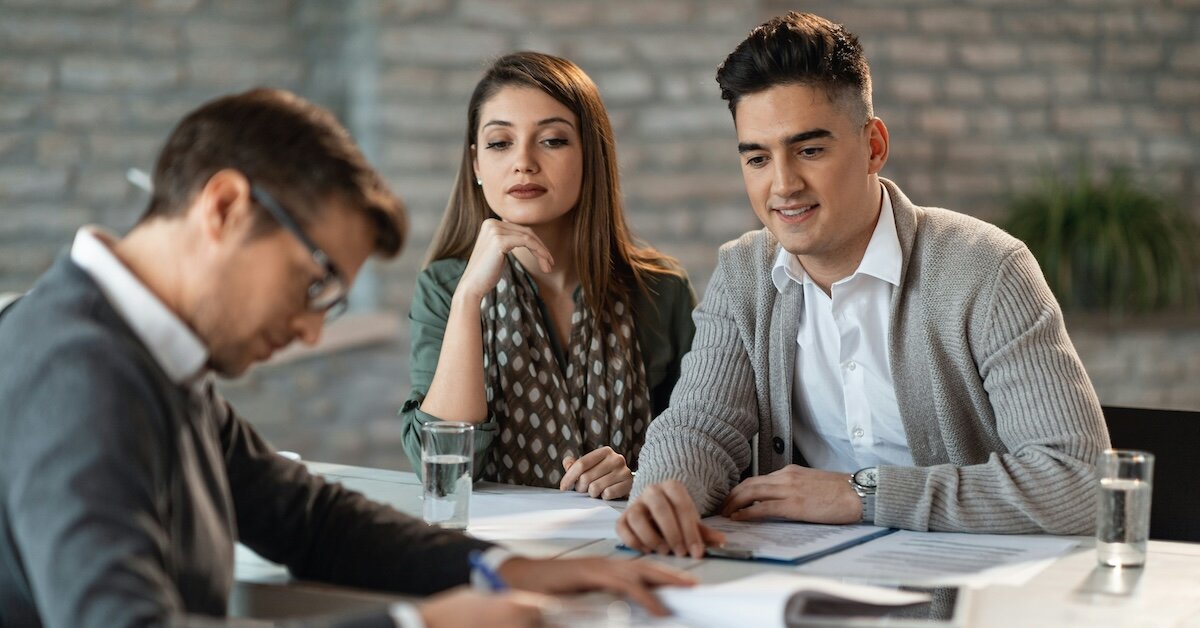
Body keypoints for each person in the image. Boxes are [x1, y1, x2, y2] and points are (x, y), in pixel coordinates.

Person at [0, 88, 693, 628]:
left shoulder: (145, 354)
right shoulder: (80, 369)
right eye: (316, 284)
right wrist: (418, 623)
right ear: (224, 207)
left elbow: (309, 519)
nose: (308, 332)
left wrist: (511, 569)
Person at [616, 12, 1111, 559]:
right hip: (798, 581)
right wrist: (664, 495)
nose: (783, 185)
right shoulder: (744, 275)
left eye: (809, 150)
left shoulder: (987, 270)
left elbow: (1081, 482)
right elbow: (700, 428)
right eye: (757, 157)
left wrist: (863, 494)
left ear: (874, 146)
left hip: (965, 589)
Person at [400, 52, 696, 501]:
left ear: (590, 155)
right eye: (500, 143)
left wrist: (640, 477)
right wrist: (468, 300)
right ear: (477, 164)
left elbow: (704, 444)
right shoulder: (445, 287)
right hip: (494, 547)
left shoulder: (661, 290)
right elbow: (441, 468)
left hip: (627, 544)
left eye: (552, 140)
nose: (523, 162)